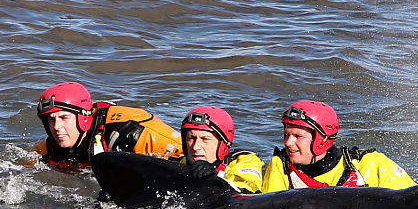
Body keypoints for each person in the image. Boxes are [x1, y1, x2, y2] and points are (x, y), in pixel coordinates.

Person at [260, 100, 415, 192]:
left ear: (322, 140)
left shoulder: (369, 163)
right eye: (286, 135)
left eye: (298, 136)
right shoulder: (281, 165)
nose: (288, 142)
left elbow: (414, 202)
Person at [35, 81, 183, 168]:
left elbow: (185, 152)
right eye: (51, 119)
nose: (56, 127)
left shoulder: (130, 130)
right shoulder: (49, 148)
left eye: (64, 118)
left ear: (83, 118)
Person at [179, 106, 263, 193]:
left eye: (205, 139)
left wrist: (212, 179)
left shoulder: (246, 161)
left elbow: (245, 193)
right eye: (191, 138)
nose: (195, 147)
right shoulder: (180, 163)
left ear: (222, 144)